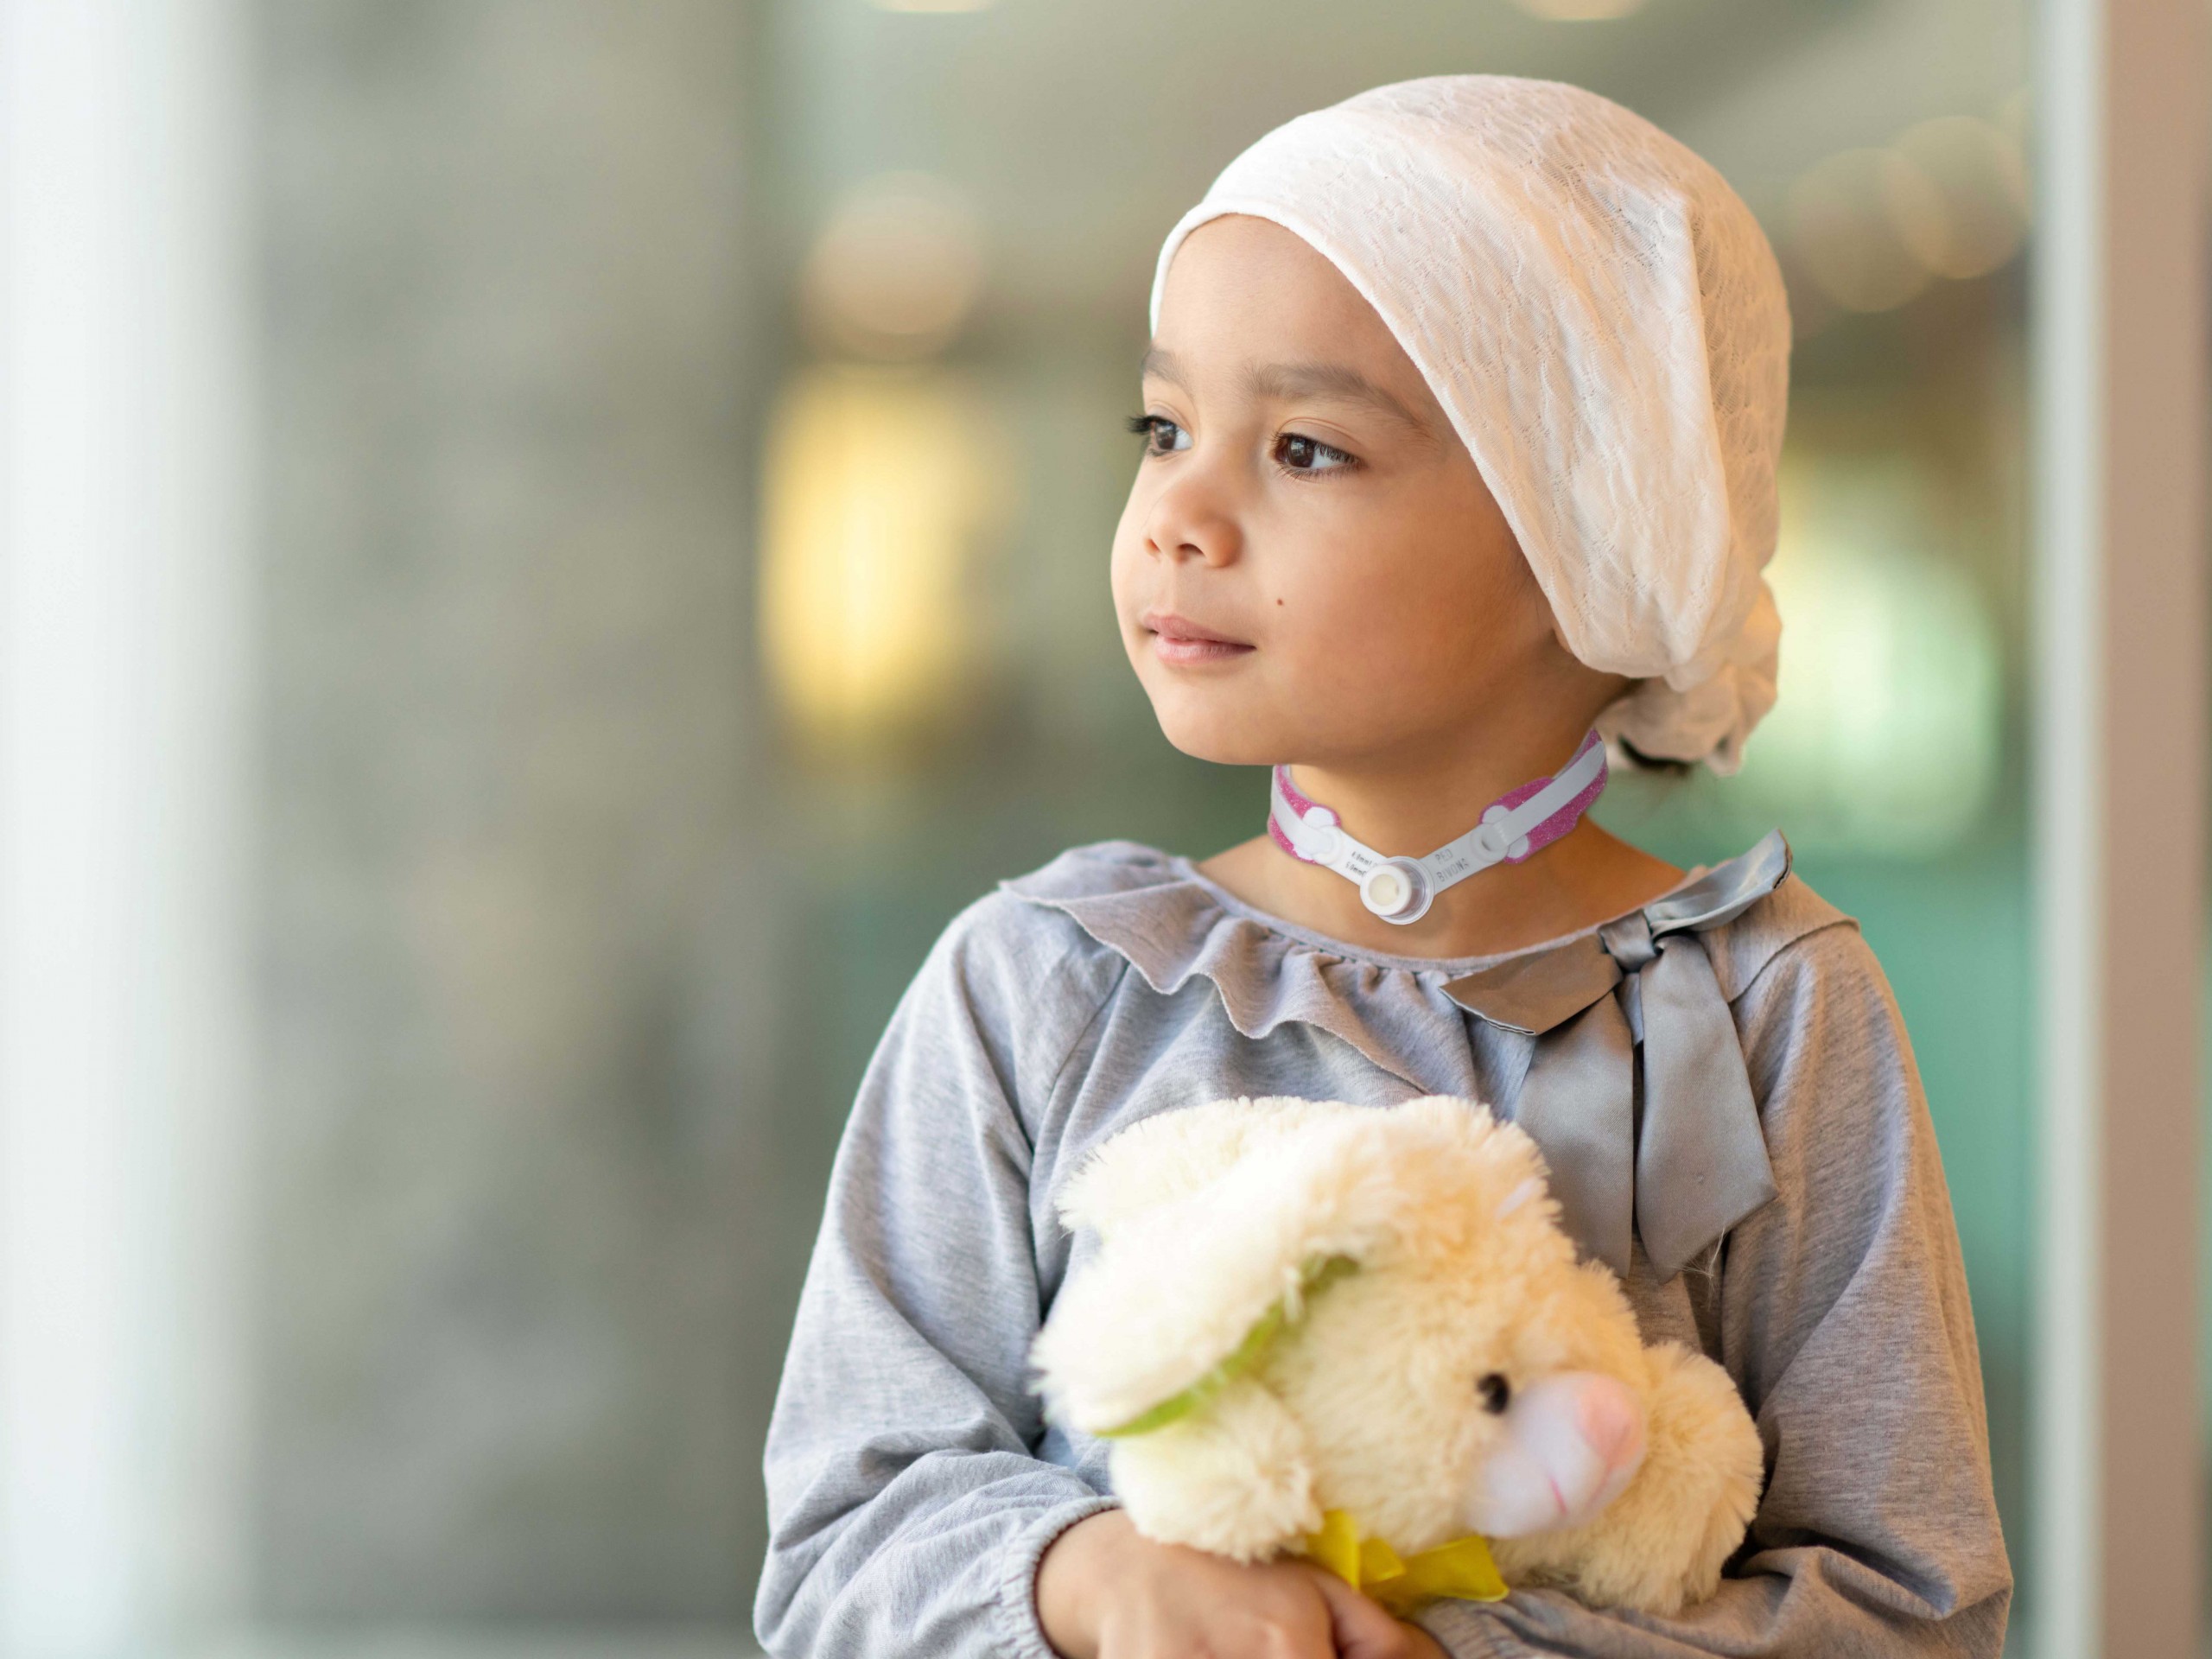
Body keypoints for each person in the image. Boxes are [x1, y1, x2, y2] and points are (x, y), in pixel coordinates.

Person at [753, 76, 2012, 1659]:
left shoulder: (1765, 1003)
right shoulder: (1041, 985)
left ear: (1588, 533)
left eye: (1303, 447)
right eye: (1163, 428)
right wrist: (1086, 1577)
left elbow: (1910, 1605)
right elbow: (840, 1538)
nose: (1179, 515)